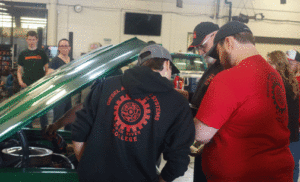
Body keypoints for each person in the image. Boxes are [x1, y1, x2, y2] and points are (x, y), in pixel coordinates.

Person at [71, 44, 195, 182]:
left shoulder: (106, 86)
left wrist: (88, 167)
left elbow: (78, 131)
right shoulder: (177, 102)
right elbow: (178, 160)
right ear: (166, 64)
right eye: (171, 69)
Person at [194, 21, 294, 181]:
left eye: (218, 51)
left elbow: (201, 134)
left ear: (228, 42)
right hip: (277, 172)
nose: (219, 58)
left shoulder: (228, 77)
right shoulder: (274, 76)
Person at [184, 22, 222, 182]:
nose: (200, 52)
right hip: (203, 146)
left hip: (215, 146)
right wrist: (186, 95)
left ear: (215, 36)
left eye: (202, 46)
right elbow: (203, 97)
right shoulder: (212, 67)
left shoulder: (224, 68)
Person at [268, 50, 300, 182]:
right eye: (288, 62)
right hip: (289, 131)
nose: (290, 65)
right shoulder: (290, 81)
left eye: (292, 62)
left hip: (291, 130)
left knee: (292, 165)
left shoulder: (285, 83)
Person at [17, 30, 49, 128]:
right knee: (26, 111)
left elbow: (47, 69)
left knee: (43, 110)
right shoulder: (23, 54)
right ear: (26, 40)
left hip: (40, 86)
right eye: (29, 39)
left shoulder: (42, 53)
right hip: (26, 86)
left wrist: (44, 82)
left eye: (33, 39)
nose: (31, 41)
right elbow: (19, 71)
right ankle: (28, 130)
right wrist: (20, 81)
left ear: (37, 40)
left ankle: (45, 131)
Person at [47, 39, 73, 130]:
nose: (64, 48)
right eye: (62, 46)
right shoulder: (55, 61)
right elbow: (49, 77)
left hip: (70, 93)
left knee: (70, 118)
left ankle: (67, 139)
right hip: (59, 94)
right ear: (58, 48)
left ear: (69, 48)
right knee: (58, 118)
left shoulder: (72, 60)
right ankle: (53, 137)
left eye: (66, 46)